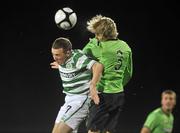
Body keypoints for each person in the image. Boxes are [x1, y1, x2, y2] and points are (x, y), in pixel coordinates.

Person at [82, 15, 133, 133]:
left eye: (97, 34)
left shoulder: (99, 47)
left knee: (93, 129)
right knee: (109, 130)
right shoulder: (126, 46)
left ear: (102, 34)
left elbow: (80, 57)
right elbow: (128, 73)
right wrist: (117, 85)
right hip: (119, 95)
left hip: (103, 95)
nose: (95, 36)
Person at [50, 37, 103, 133]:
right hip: (69, 99)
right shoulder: (63, 60)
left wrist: (93, 85)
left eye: (57, 55)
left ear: (68, 53)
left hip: (81, 99)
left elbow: (98, 66)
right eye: (53, 54)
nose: (54, 57)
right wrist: (61, 67)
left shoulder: (77, 58)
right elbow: (70, 67)